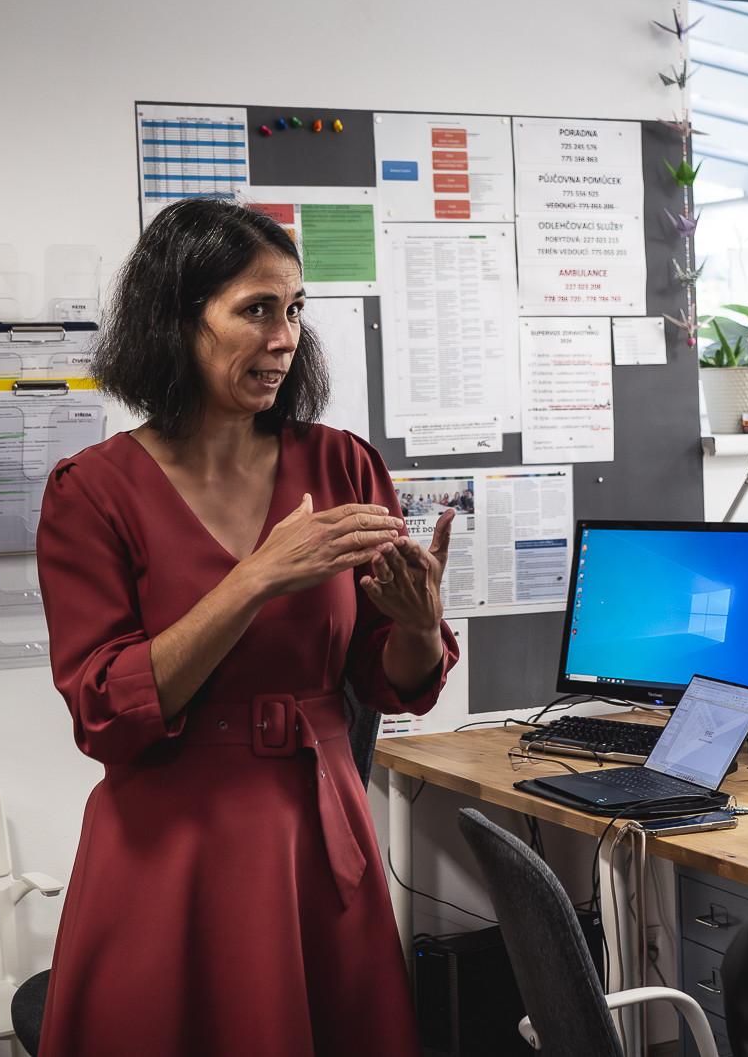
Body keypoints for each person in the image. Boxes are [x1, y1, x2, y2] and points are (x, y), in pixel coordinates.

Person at [35, 198, 459, 1057]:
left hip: (319, 838)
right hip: (170, 850)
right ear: (176, 320)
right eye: (257, 309)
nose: (284, 337)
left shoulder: (342, 463)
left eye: (295, 309)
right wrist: (257, 578)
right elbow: (105, 710)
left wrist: (419, 627)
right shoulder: (92, 491)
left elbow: (384, 674)